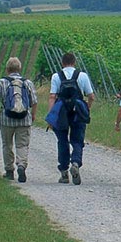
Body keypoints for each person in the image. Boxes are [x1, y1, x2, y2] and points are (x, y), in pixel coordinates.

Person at [49, 53, 96, 185]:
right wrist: (87, 108)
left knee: (62, 141)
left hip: (62, 111)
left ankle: (64, 172)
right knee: (77, 139)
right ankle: (75, 162)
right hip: (78, 111)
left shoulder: (56, 76)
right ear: (74, 62)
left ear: (62, 63)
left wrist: (51, 115)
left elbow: (52, 96)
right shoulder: (82, 75)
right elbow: (91, 96)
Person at [0, 57, 38, 183]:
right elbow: (34, 101)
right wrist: (33, 114)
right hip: (24, 119)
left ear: (7, 69)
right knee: (22, 144)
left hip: (6, 119)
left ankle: (9, 171)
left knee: (7, 144)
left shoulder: (1, 82)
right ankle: (21, 165)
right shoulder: (27, 83)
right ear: (19, 68)